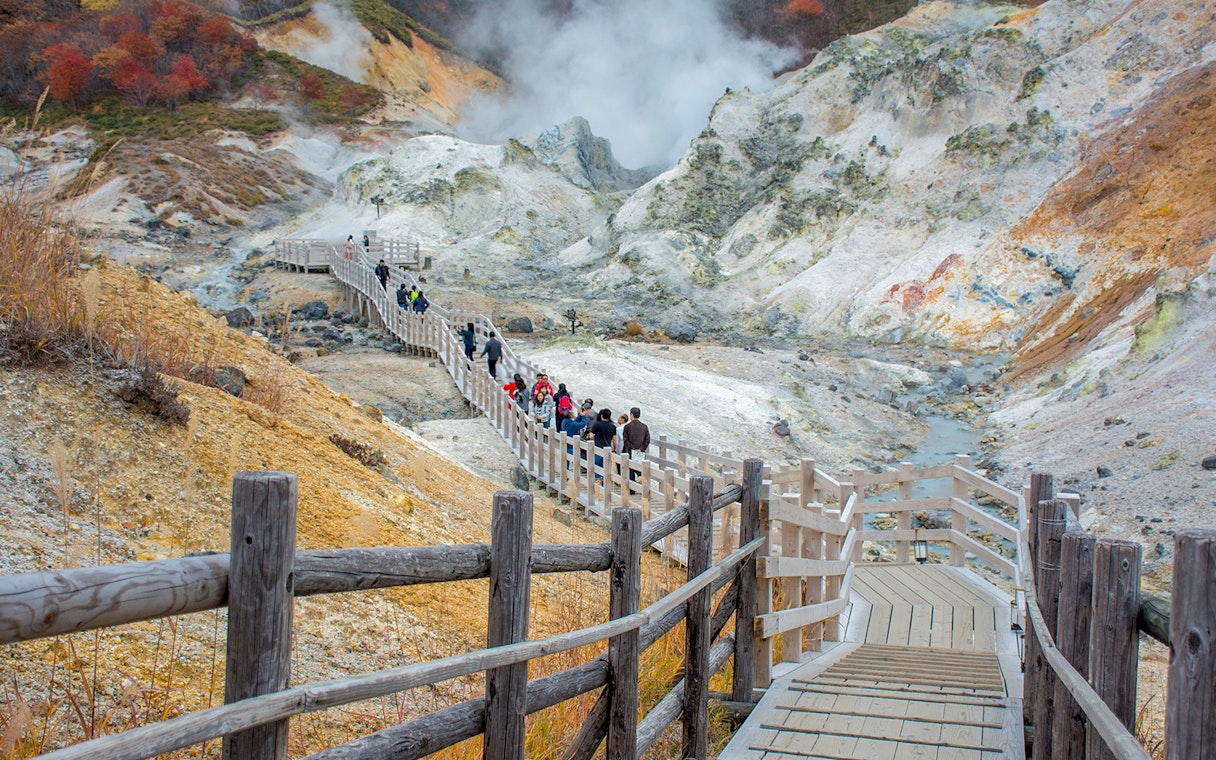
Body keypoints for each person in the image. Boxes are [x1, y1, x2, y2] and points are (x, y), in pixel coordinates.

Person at [622, 407, 651, 481]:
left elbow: (625, 440)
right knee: (640, 471)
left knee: (630, 471)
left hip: (630, 452)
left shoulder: (627, 426)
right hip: (640, 452)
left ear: (632, 415)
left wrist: (632, 448)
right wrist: (641, 449)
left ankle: (631, 491)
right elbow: (647, 440)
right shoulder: (644, 426)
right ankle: (642, 488)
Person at [590, 408, 617, 481]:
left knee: (596, 464)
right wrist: (615, 448)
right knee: (605, 465)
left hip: (598, 447)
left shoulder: (597, 425)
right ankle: (605, 479)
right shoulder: (613, 426)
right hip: (607, 448)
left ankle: (597, 479)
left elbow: (591, 436)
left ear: (602, 416)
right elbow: (614, 439)